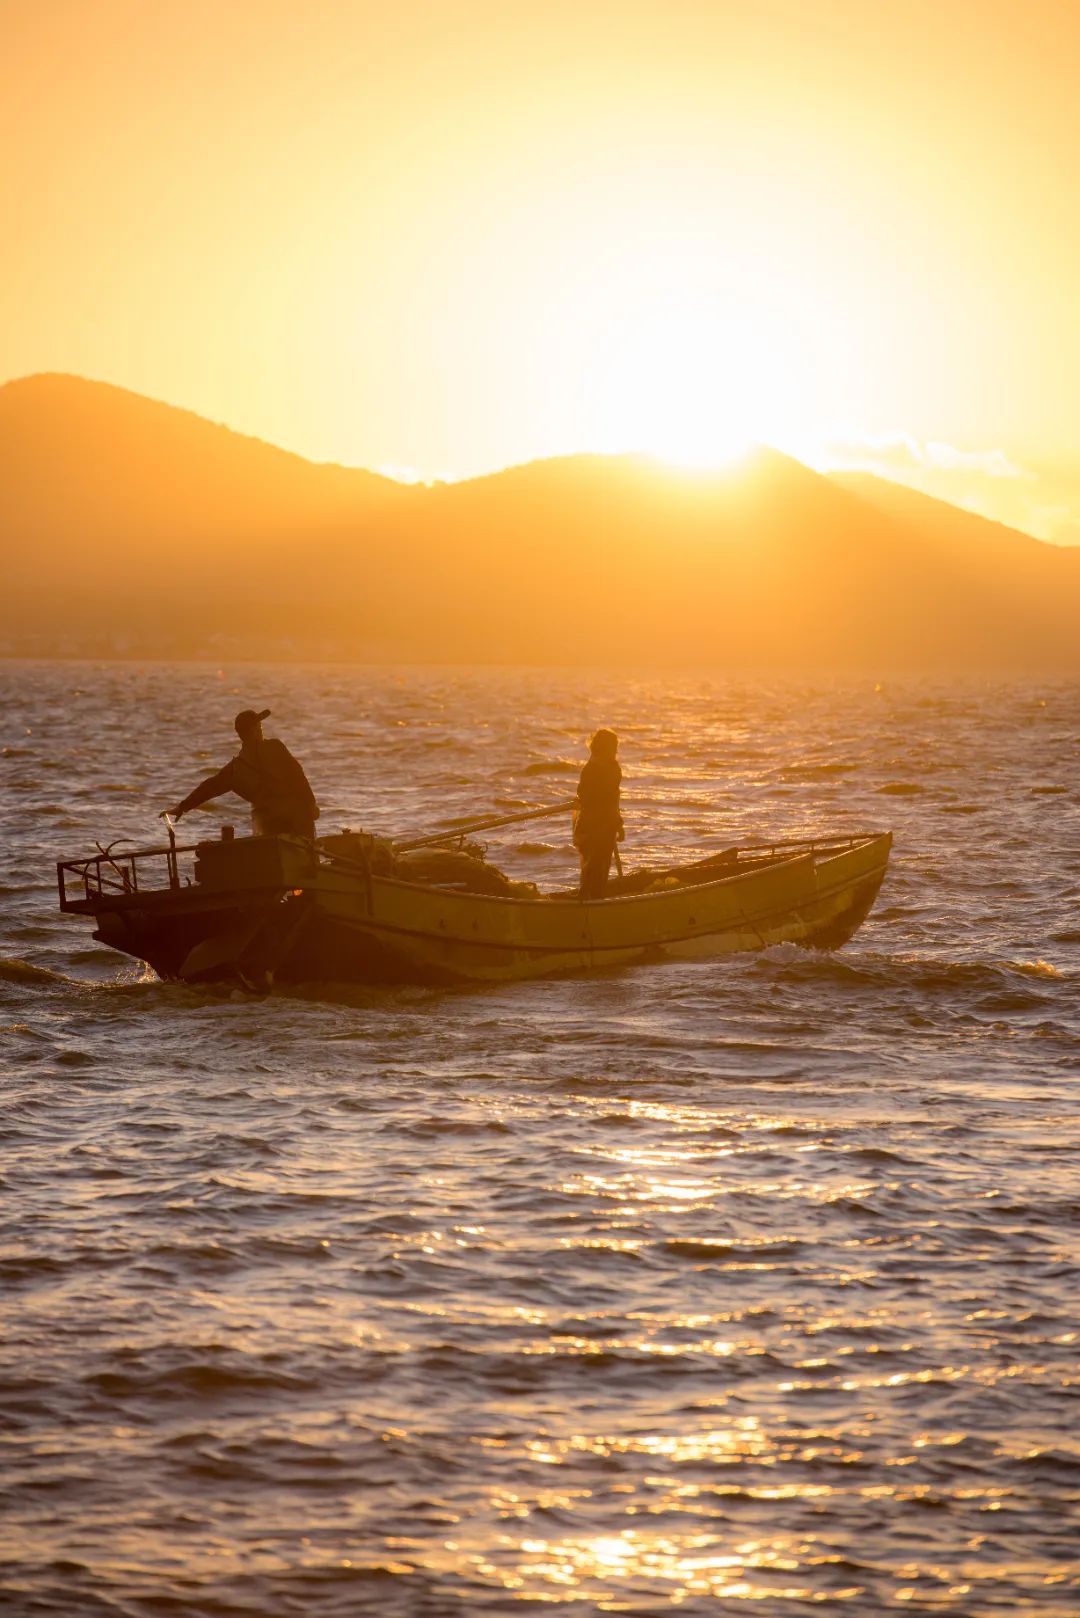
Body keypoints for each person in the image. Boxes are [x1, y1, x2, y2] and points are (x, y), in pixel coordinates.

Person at [167, 709, 319, 840]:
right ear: (254, 730)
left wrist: (182, 807)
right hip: (296, 818)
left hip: (268, 823)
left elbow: (210, 787)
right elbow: (298, 776)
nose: (261, 730)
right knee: (306, 857)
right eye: (259, 726)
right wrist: (311, 803)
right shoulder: (275, 747)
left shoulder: (235, 769)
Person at [573, 727, 624, 899]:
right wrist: (616, 823)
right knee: (593, 870)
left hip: (602, 826)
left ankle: (591, 902)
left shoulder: (607, 767)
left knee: (597, 872)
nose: (617, 750)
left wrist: (618, 824)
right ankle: (589, 905)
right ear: (605, 748)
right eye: (614, 746)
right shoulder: (595, 769)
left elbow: (612, 800)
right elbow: (599, 799)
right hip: (594, 827)